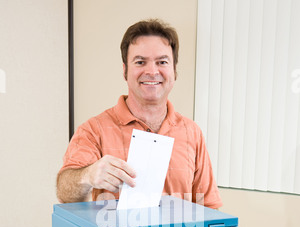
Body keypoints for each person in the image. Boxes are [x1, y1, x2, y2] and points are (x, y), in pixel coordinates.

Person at [56, 19, 222, 209]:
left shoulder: (192, 133)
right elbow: (64, 192)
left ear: (174, 71)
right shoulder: (93, 130)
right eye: (140, 62)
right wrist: (88, 175)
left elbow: (209, 208)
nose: (152, 71)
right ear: (125, 70)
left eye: (162, 62)